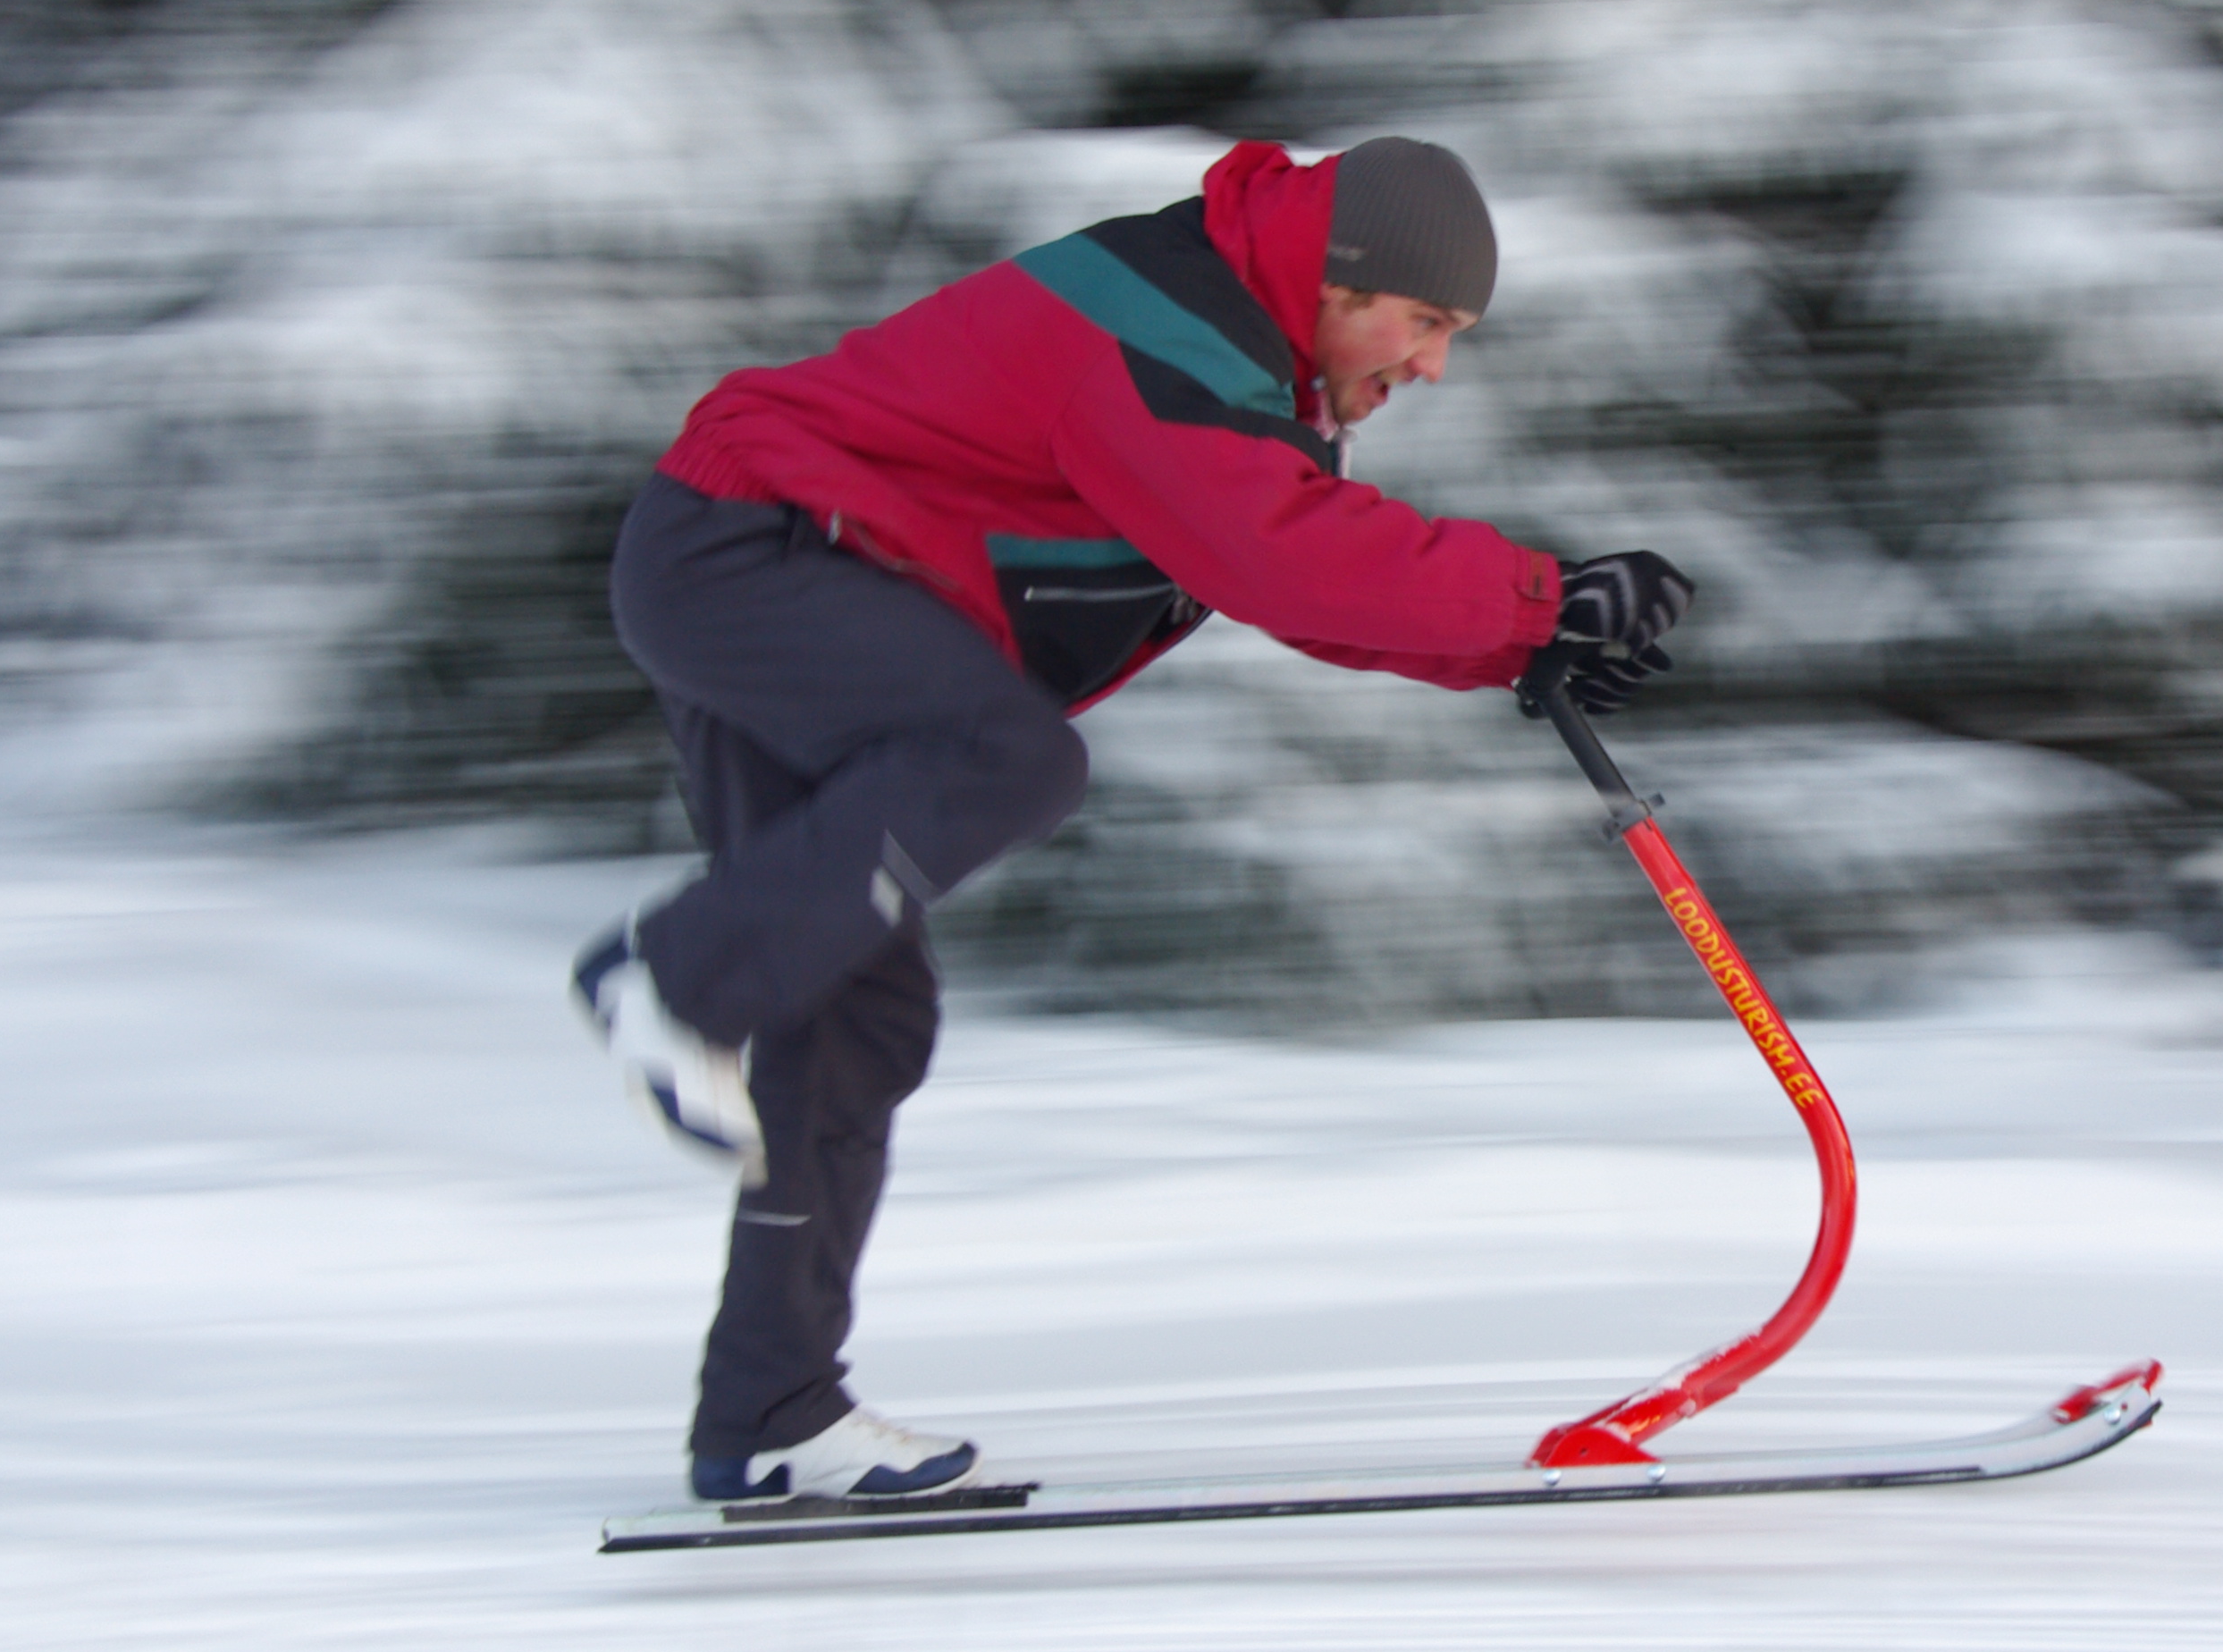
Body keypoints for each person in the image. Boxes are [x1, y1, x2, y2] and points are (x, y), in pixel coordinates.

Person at [572, 136, 1695, 1502]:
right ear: (1341, 283)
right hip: (760, 556)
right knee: (1008, 759)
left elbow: (1286, 554)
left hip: (773, 567)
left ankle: (770, 1410)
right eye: (1426, 321)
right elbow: (1280, 554)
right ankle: (672, 977)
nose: (1434, 364)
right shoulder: (1167, 334)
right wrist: (1533, 600)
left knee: (852, 1022)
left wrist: (1518, 644)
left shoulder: (1238, 361)